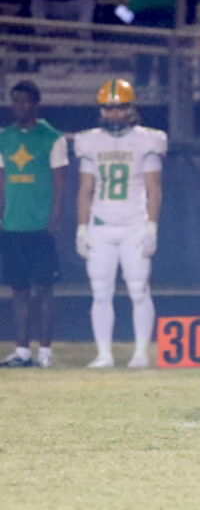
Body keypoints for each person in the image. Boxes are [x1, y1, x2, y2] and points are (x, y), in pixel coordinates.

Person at [74, 79, 167, 369]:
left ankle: (140, 353)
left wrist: (151, 225)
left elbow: (153, 188)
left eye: (119, 108)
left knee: (139, 289)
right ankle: (104, 354)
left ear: (130, 108)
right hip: (101, 224)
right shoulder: (90, 141)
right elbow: (86, 188)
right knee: (100, 292)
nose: (113, 113)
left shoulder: (147, 139)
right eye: (108, 108)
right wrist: (82, 227)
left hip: (134, 224)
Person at [0, 81, 69, 368]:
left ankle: (45, 352)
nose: (20, 106)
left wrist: (54, 219)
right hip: (12, 226)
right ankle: (21, 351)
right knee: (18, 290)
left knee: (44, 289)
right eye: (16, 101)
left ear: (36, 104)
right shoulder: (4, 138)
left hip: (40, 227)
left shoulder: (52, 138)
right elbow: (2, 181)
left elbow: (60, 184)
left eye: (26, 101)